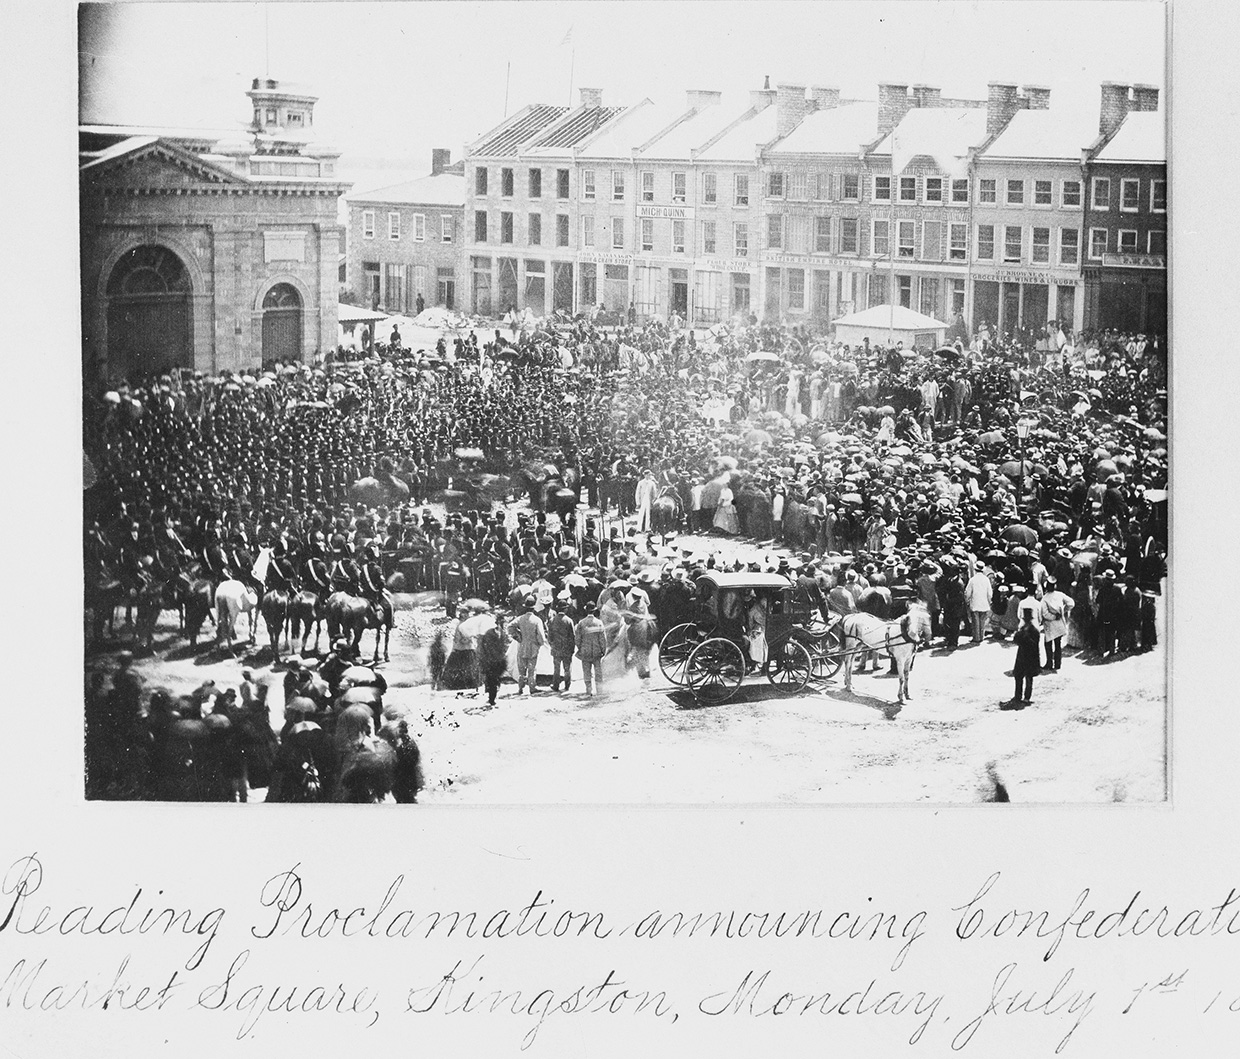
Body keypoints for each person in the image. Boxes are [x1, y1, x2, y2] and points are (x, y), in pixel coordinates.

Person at [511, 596, 547, 695]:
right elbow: (541, 635)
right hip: (533, 647)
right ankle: (532, 687)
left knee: (521, 669)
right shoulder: (537, 620)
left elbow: (510, 627)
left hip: (522, 645)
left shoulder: (520, 619)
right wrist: (540, 643)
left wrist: (517, 636)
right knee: (532, 669)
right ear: (533, 608)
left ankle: (520, 688)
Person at [1039, 577, 1074, 671]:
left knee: (1048, 644)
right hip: (1059, 623)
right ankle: (1058, 664)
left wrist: (1053, 617)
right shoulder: (1060, 595)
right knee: (1058, 644)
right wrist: (1063, 611)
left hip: (1050, 624)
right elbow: (1071, 603)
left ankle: (1049, 663)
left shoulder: (1044, 599)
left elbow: (1045, 614)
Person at [574, 601, 608, 697]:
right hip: (597, 652)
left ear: (586, 610)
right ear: (594, 611)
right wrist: (603, 650)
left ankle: (589, 691)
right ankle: (600, 691)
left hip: (585, 651)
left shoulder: (581, 623)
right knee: (598, 672)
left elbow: (577, 638)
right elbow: (603, 639)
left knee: (586, 672)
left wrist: (580, 648)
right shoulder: (599, 623)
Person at [1009, 611, 1041, 707]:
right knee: (1027, 677)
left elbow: (1017, 640)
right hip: (1030, 657)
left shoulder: (1024, 630)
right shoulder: (1034, 630)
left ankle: (1019, 696)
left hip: (1023, 656)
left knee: (1021, 677)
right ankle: (1025, 697)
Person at [547, 601, 577, 692]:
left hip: (556, 648)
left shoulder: (552, 620)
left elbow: (549, 636)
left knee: (556, 668)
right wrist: (572, 648)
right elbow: (572, 636)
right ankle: (567, 685)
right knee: (567, 668)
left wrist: (552, 644)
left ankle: (556, 685)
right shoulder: (569, 620)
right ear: (565, 609)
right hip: (567, 648)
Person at [965, 565, 993, 643]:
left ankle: (976, 638)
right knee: (982, 622)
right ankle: (981, 636)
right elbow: (990, 593)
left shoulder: (972, 580)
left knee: (975, 622)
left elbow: (968, 592)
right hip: (984, 603)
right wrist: (990, 601)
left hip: (975, 603)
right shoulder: (986, 579)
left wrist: (967, 600)